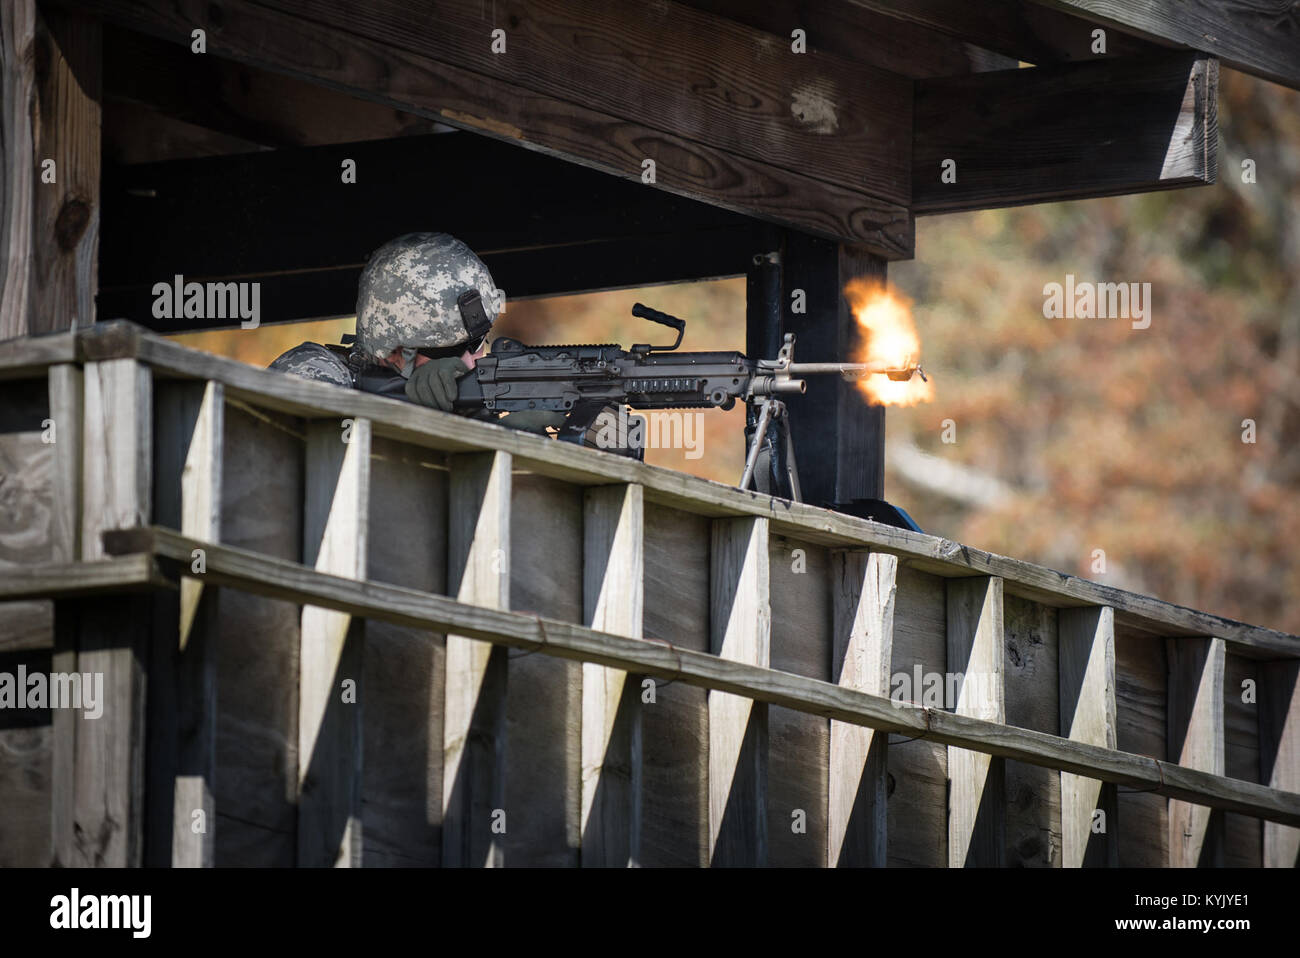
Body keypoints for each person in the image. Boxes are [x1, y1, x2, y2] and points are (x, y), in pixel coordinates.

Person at [269, 232, 564, 433]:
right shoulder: (313, 371)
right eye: (447, 352)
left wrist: (500, 438)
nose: (471, 363)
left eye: (477, 344)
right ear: (392, 350)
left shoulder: (466, 406)